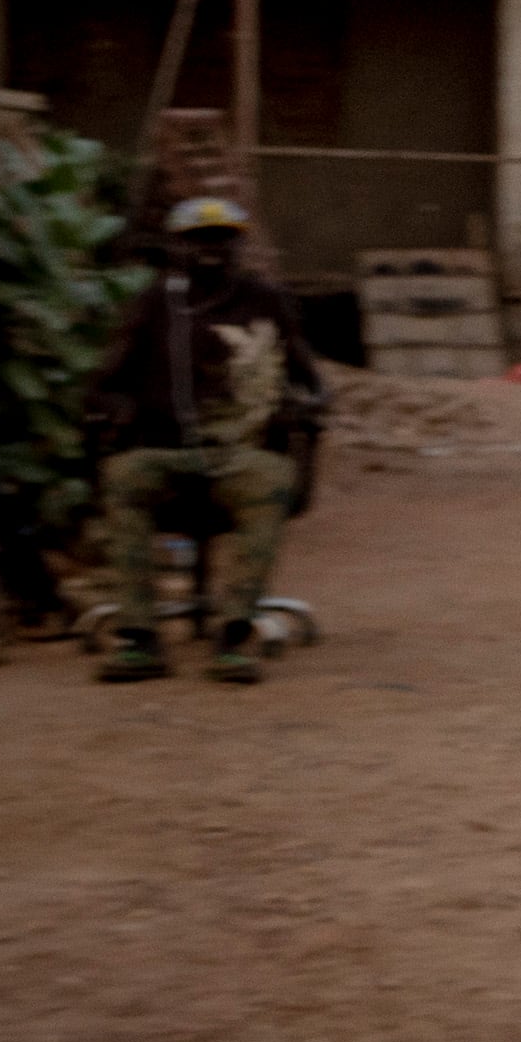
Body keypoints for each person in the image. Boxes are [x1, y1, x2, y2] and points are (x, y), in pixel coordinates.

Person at [88, 193, 321, 685]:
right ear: (177, 246)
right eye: (199, 240)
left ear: (239, 246)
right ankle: (139, 638)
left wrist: (303, 405)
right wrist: (119, 411)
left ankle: (234, 635)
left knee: (267, 482)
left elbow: (308, 377)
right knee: (124, 479)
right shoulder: (153, 304)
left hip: (242, 453)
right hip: (163, 451)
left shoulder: (267, 301)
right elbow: (105, 382)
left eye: (223, 239)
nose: (211, 249)